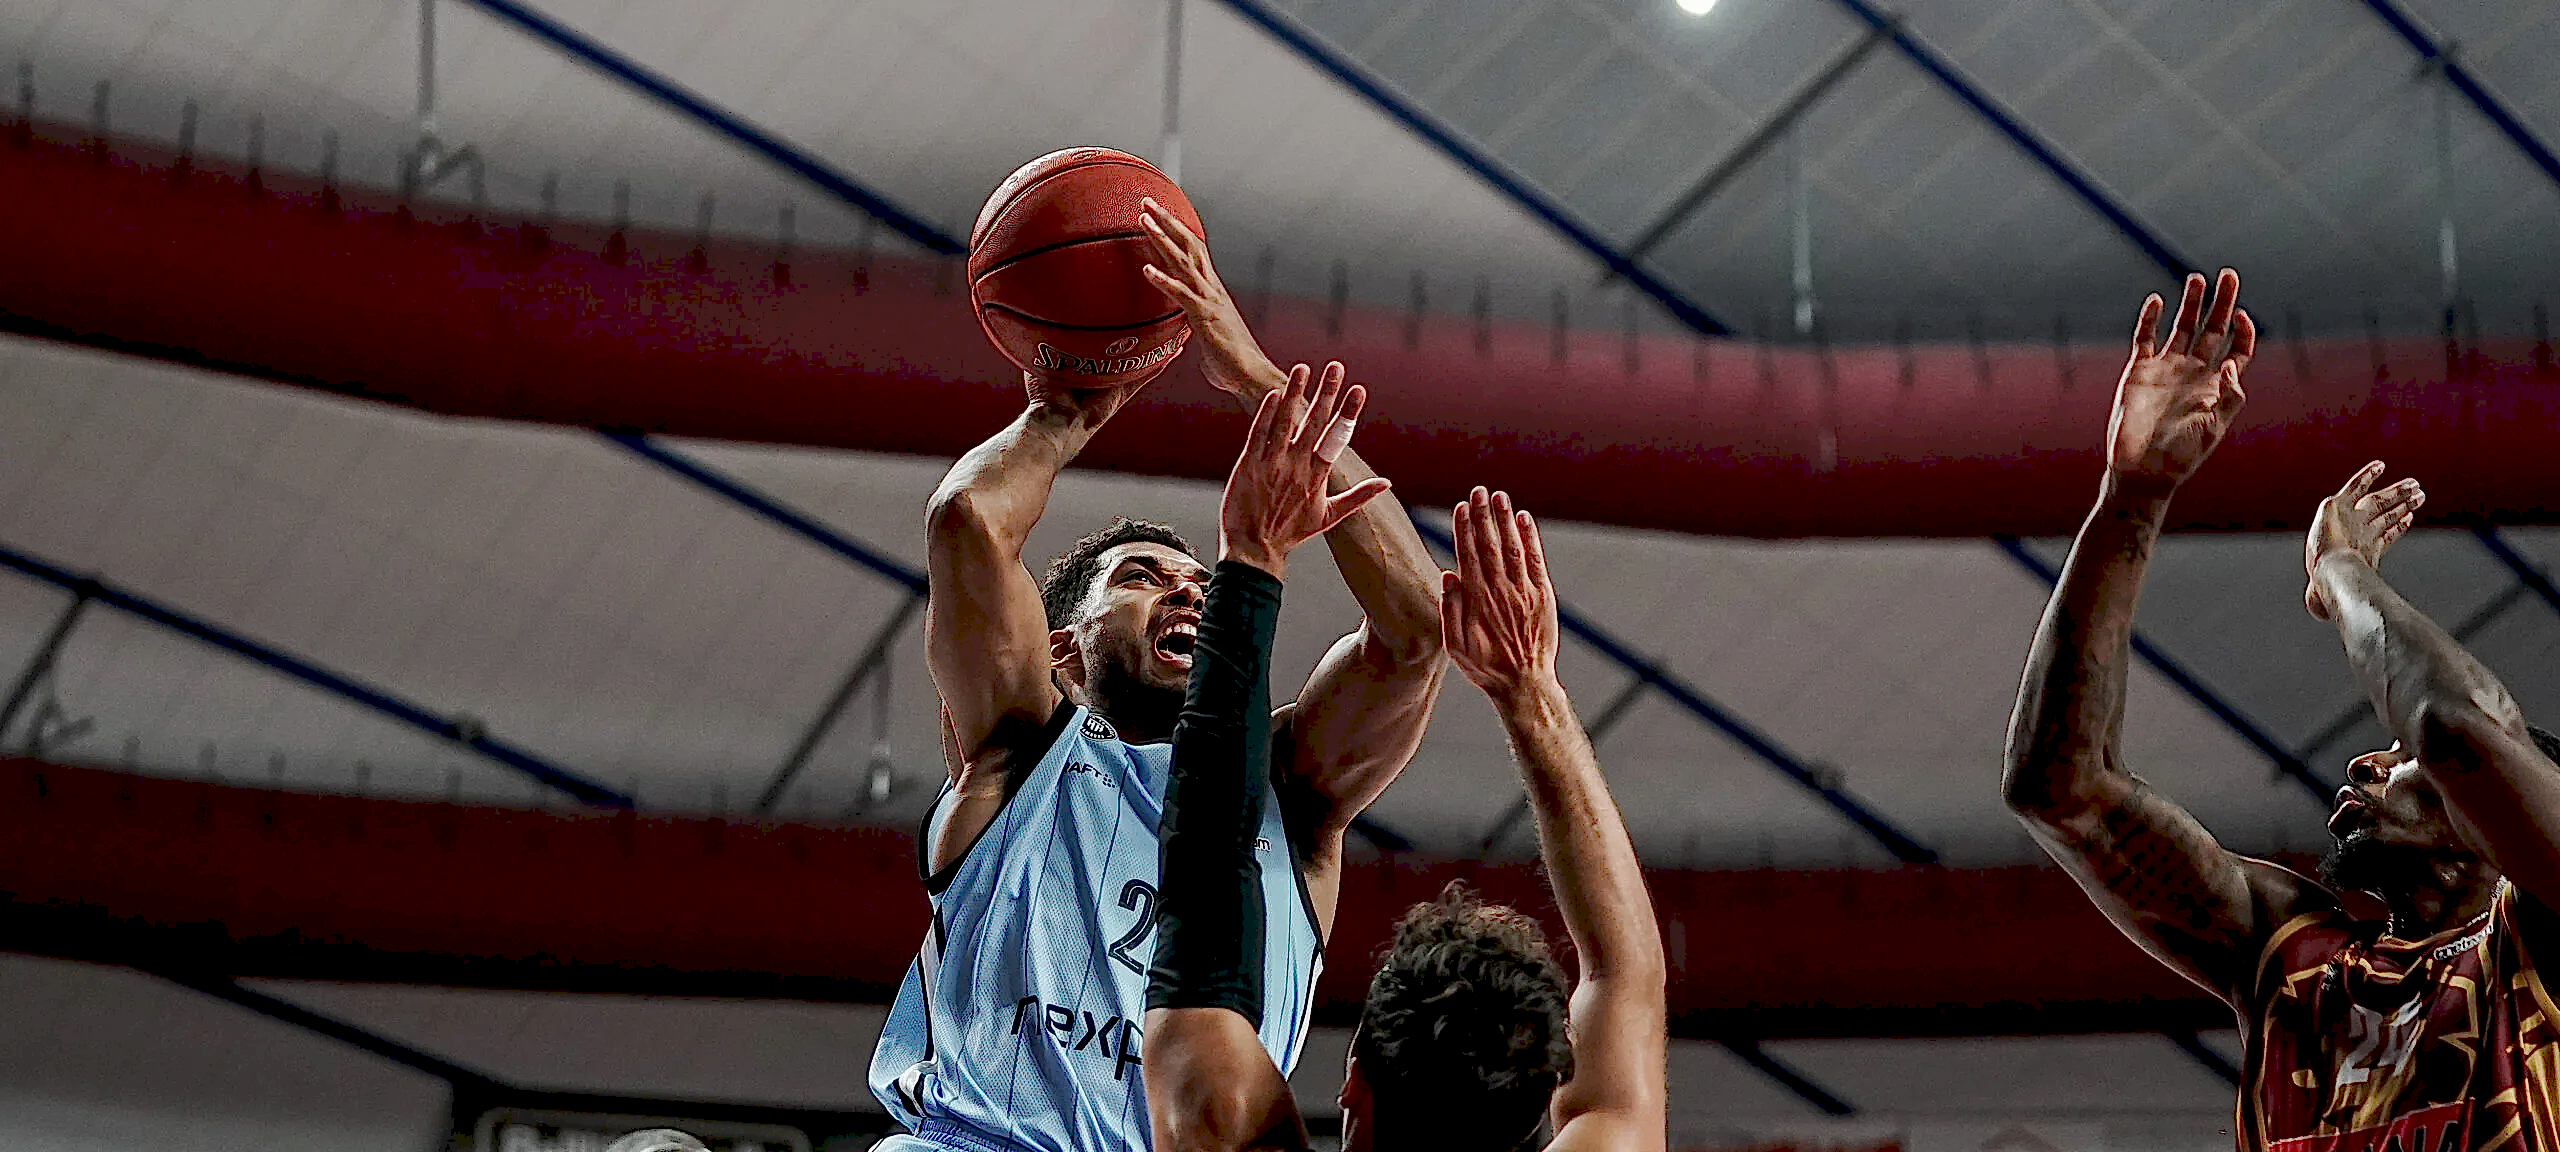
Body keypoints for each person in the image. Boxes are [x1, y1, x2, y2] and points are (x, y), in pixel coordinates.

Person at [868, 199, 1446, 1152]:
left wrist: (1270, 391)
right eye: (1142, 578)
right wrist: (1063, 409)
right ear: (1062, 648)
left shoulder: (1289, 791)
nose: (1188, 593)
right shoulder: (1021, 750)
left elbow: (1419, 632)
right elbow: (968, 525)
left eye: (1200, 582)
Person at [2004, 267, 2560, 1147]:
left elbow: (2456, 729)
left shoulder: (2536, 934)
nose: (2369, 762)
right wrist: (2133, 498)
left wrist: (2340, 572)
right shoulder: (2294, 961)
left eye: (2395, 753)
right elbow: (2059, 787)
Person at [1145, 481, 1667, 1152]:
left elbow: (1208, 863)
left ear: (1353, 1078)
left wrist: (1526, 684)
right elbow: (1627, 973)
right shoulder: (1221, 1126)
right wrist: (1533, 694)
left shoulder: (1224, 1119)